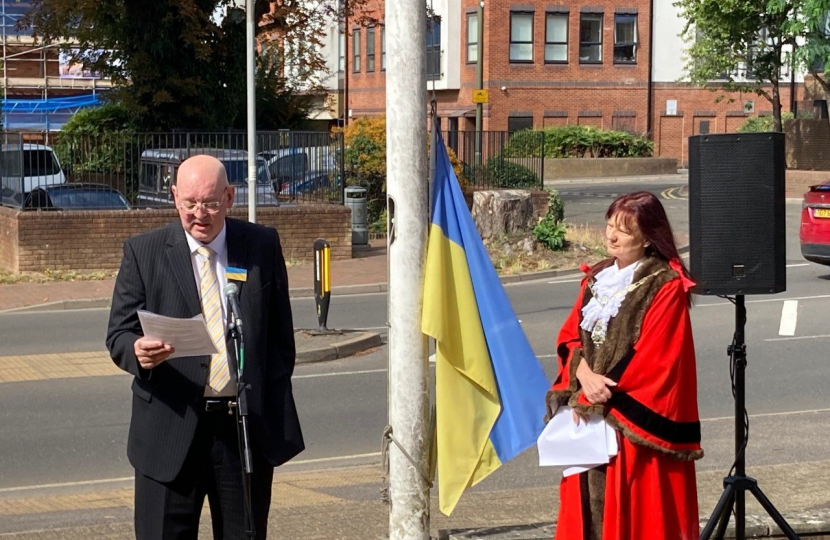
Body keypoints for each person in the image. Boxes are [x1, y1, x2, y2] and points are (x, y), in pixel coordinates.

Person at [106, 154, 304, 539]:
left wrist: (260, 393)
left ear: (229, 197)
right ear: (174, 197)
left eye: (211, 203)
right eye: (190, 203)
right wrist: (139, 353)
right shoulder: (144, 251)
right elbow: (119, 335)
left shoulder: (261, 245)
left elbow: (281, 341)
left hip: (242, 432)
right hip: (169, 428)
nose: (200, 214)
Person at [545, 191, 702, 540]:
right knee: (586, 514)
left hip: (628, 426)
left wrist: (597, 397)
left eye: (623, 230)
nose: (611, 236)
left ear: (647, 237)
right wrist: (582, 376)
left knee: (633, 517)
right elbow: (570, 337)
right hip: (588, 415)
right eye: (609, 226)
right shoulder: (596, 278)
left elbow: (655, 358)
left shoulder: (665, 285)